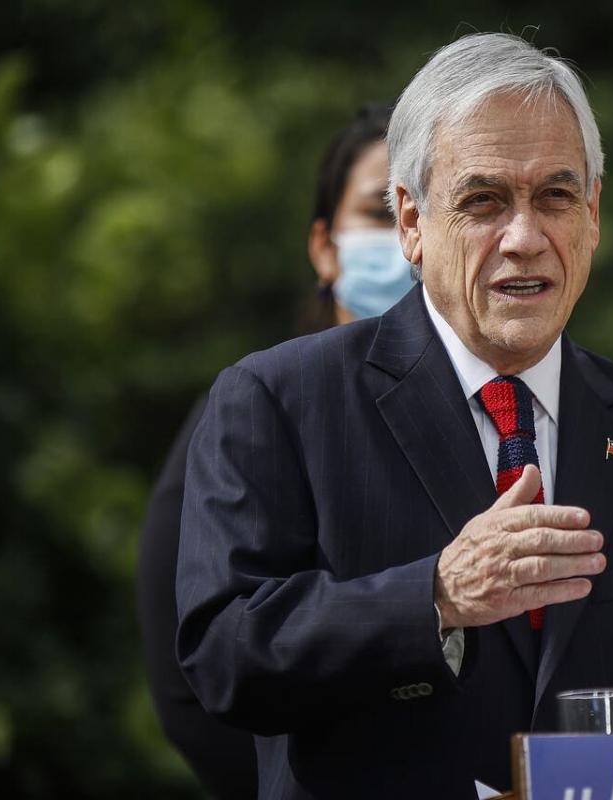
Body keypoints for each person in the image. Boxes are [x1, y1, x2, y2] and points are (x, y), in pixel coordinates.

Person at [177, 33, 613, 798]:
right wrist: (435, 595)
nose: (525, 239)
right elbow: (227, 656)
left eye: (555, 197)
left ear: (593, 214)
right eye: (483, 201)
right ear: (410, 222)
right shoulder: (280, 402)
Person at [136, 103, 411, 799]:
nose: (404, 238)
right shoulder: (255, 408)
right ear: (324, 246)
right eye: (378, 213)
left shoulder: (501, 408)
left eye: (423, 212)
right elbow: (191, 671)